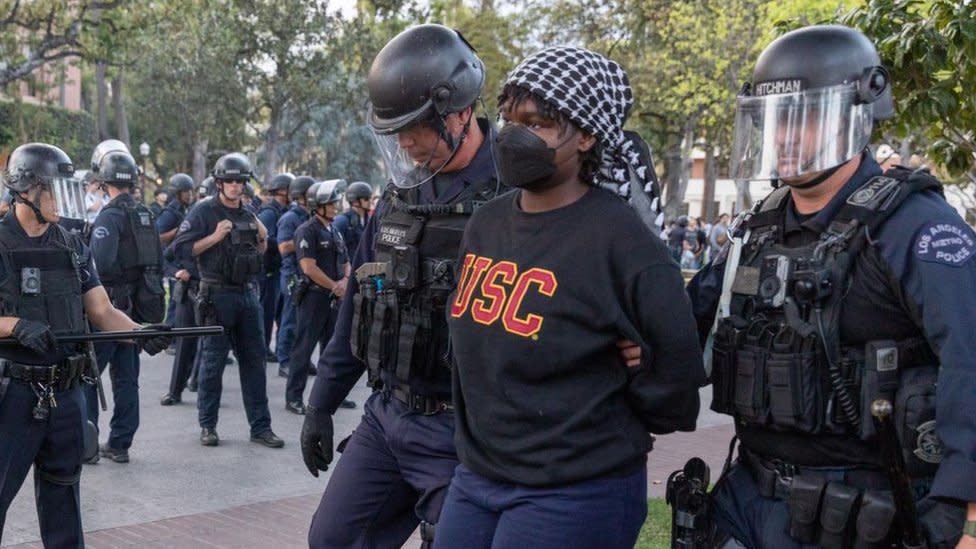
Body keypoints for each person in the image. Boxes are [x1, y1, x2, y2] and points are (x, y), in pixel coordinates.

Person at [685, 24, 974, 549]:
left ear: (857, 112)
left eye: (807, 116)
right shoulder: (760, 226)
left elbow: (971, 357)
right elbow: (681, 323)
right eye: (775, 120)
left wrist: (958, 501)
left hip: (855, 514)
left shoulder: (915, 226)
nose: (787, 137)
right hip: (745, 498)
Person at [433, 45, 704, 549]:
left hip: (575, 491)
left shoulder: (624, 243)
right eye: (511, 118)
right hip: (476, 477)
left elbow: (676, 386)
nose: (514, 134)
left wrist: (640, 371)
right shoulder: (485, 223)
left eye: (536, 123)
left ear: (585, 135)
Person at [0, 143, 169, 546]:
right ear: (27, 189)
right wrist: (14, 326)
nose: (67, 199)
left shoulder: (72, 244)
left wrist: (141, 331)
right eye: (55, 189)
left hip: (66, 393)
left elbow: (102, 310)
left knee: (64, 498)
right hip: (13, 394)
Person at [171, 152, 283, 448]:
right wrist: (215, 236)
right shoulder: (203, 212)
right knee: (212, 364)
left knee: (254, 363)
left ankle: (261, 427)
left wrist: (262, 237)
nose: (235, 186)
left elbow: (260, 250)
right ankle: (208, 426)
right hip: (216, 295)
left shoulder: (249, 213)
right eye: (229, 181)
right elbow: (181, 250)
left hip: (247, 294)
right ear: (219, 183)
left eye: (240, 181)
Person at [84, 141, 165, 464]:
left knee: (88, 377)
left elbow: (99, 266)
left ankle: (86, 445)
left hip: (109, 309)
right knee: (127, 379)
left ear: (104, 182)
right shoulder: (146, 214)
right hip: (136, 308)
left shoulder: (109, 217)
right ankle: (120, 444)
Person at [285, 182, 349, 415]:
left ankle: (329, 397)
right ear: (317, 206)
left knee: (331, 351)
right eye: (330, 203)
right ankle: (293, 397)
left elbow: (346, 261)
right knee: (303, 349)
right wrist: (335, 285)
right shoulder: (307, 230)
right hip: (313, 297)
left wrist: (345, 281)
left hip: (333, 298)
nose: (335, 206)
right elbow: (308, 267)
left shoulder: (334, 230)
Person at [275, 175, 315, 378]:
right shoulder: (290, 218)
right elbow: (282, 247)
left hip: (307, 275)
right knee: (289, 321)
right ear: (301, 196)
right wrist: (306, 237)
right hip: (292, 276)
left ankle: (302, 360)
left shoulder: (311, 216)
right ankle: (284, 361)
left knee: (304, 323)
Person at [258, 172, 293, 362]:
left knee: (276, 311)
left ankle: (273, 349)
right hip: (267, 269)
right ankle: (262, 348)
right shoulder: (270, 212)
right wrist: (284, 242)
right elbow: (263, 239)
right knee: (266, 311)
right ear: (281, 190)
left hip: (276, 268)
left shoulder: (282, 210)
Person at [157, 173, 196, 332]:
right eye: (186, 191)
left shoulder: (186, 210)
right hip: (172, 262)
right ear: (177, 192)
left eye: (191, 191)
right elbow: (157, 237)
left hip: (182, 260)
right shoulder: (169, 213)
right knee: (175, 300)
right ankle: (170, 336)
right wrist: (177, 231)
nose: (190, 195)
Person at [331, 180, 373, 258]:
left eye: (370, 198)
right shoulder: (342, 222)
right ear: (355, 201)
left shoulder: (370, 221)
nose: (370, 201)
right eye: (366, 199)